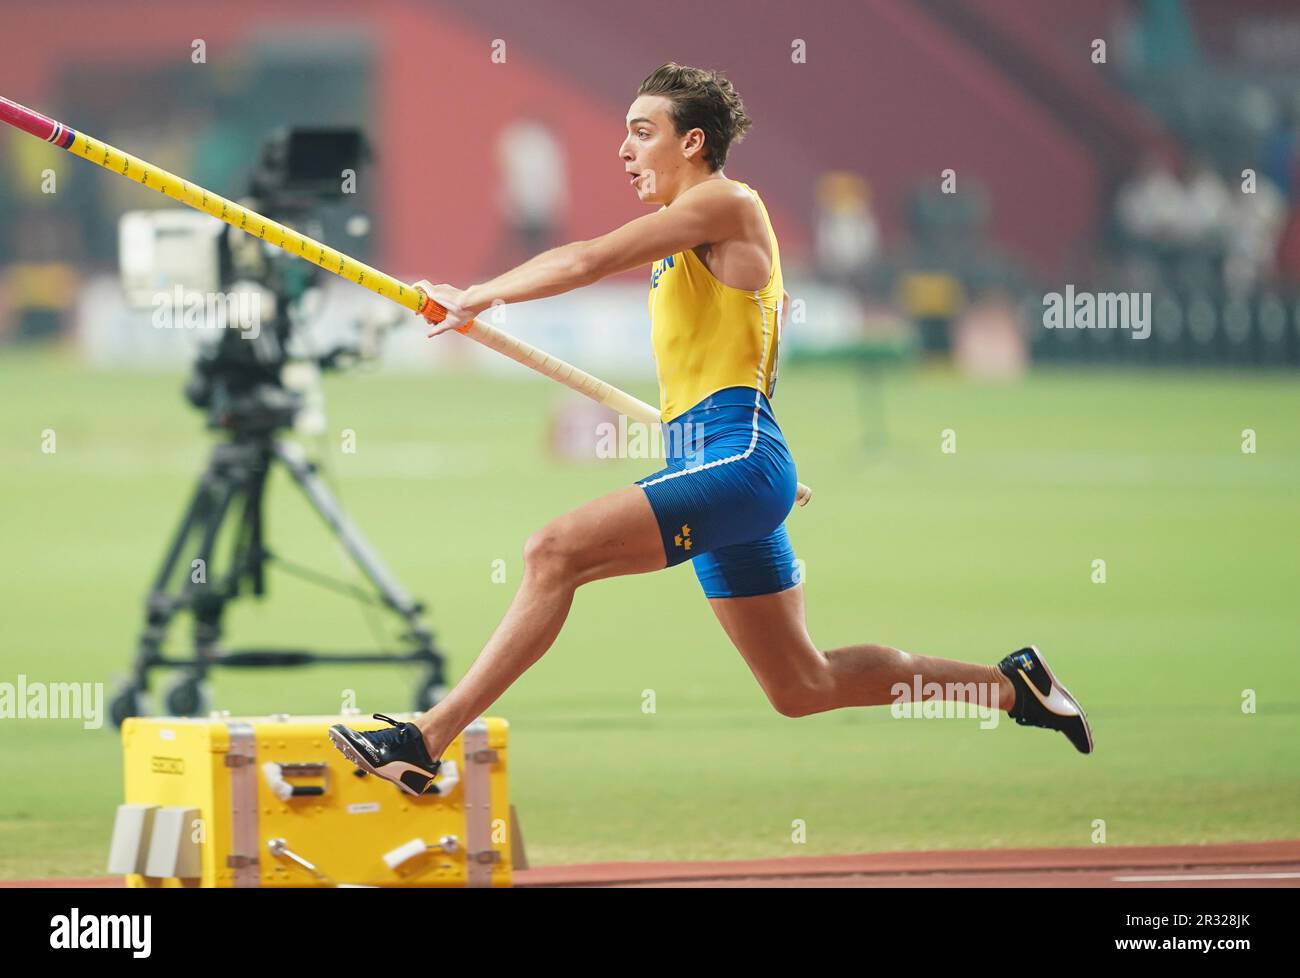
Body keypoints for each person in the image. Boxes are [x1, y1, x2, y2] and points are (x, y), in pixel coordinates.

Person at [329, 63, 1092, 797]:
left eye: (642, 132)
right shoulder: (686, 240)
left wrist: (478, 296)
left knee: (553, 551)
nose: (625, 151)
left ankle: (426, 741)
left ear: (692, 141)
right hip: (722, 463)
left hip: (739, 456)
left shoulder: (729, 204)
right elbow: (730, 357)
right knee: (801, 686)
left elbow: (592, 258)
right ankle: (1010, 688)